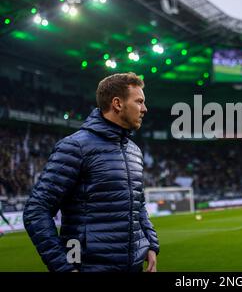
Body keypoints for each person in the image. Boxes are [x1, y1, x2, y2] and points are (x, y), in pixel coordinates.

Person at [23, 73, 159, 272]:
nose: (145, 109)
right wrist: (63, 266)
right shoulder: (75, 147)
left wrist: (150, 244)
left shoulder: (134, 151)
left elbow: (138, 206)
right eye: (139, 102)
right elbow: (36, 210)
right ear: (117, 103)